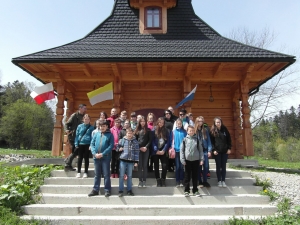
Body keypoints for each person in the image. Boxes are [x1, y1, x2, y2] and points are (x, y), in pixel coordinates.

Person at [88, 120, 114, 197]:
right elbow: (92, 144)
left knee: (106, 174)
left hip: (105, 157)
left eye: (104, 126)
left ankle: (107, 190)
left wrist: (103, 154)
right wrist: (94, 153)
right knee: (97, 174)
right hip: (96, 157)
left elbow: (111, 146)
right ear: (99, 126)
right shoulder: (96, 134)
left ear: (107, 127)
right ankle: (95, 189)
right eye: (101, 126)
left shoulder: (110, 135)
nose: (102, 127)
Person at [180, 126, 203, 197]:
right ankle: (186, 190)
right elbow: (182, 151)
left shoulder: (197, 140)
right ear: (187, 131)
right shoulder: (184, 140)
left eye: (192, 131)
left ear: (194, 131)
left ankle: (195, 190)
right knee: (187, 176)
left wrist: (201, 159)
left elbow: (201, 150)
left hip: (196, 160)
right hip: (187, 161)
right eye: (190, 131)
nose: (191, 132)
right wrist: (182, 159)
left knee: (195, 176)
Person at [117, 128, 140, 197]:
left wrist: (136, 161)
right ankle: (120, 190)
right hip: (123, 160)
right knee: (121, 176)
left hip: (131, 161)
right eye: (128, 133)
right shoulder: (122, 140)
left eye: (131, 133)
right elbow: (117, 147)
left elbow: (136, 152)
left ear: (133, 134)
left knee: (130, 176)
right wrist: (119, 149)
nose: (129, 135)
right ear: (126, 133)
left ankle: (129, 190)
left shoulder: (135, 142)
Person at [210, 117, 232, 188]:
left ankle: (223, 181)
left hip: (225, 151)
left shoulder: (225, 130)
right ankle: (219, 181)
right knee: (218, 166)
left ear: (221, 122)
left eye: (219, 122)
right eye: (217, 122)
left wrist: (229, 148)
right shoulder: (213, 131)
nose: (218, 123)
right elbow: (211, 142)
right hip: (217, 152)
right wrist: (213, 150)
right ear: (215, 123)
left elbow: (229, 140)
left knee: (223, 166)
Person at [64, 104, 87, 171]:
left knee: (76, 151)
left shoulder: (84, 116)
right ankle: (67, 163)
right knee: (76, 151)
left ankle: (67, 161)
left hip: (80, 137)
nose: (85, 109)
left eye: (86, 108)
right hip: (73, 136)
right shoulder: (75, 115)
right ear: (80, 108)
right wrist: (66, 130)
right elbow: (67, 124)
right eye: (84, 108)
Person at [74, 114, 94, 178]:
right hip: (80, 144)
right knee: (80, 158)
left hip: (87, 144)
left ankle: (86, 172)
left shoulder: (91, 127)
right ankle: (79, 172)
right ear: (83, 120)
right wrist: (76, 144)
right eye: (85, 119)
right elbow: (77, 135)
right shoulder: (79, 126)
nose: (86, 120)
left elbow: (92, 137)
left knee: (86, 159)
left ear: (89, 120)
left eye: (88, 119)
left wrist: (91, 145)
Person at [195, 116, 212, 188]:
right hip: (197, 151)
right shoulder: (194, 131)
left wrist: (209, 150)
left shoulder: (205, 130)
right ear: (196, 122)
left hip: (205, 150)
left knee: (206, 166)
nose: (200, 123)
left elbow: (209, 142)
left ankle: (205, 181)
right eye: (199, 121)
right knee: (199, 167)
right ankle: (199, 181)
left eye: (201, 121)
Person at [135, 116, 152, 187]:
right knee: (140, 165)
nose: (142, 123)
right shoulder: (137, 130)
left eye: (144, 121)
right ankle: (140, 181)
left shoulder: (148, 130)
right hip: (139, 150)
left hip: (146, 150)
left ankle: (144, 181)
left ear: (145, 122)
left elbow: (150, 140)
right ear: (139, 122)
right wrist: (139, 147)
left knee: (145, 165)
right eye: (141, 121)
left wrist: (146, 147)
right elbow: (135, 140)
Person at [152, 117, 169, 187]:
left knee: (164, 166)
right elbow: (152, 141)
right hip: (156, 151)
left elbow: (168, 142)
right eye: (160, 122)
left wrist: (164, 150)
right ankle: (158, 179)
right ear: (157, 122)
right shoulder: (154, 130)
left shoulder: (166, 130)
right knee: (156, 166)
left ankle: (163, 179)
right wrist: (156, 150)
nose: (161, 124)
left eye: (162, 123)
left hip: (163, 151)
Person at [170, 119, 187, 187]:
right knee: (177, 167)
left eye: (180, 123)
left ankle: (182, 180)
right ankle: (177, 181)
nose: (179, 125)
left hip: (183, 151)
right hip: (176, 151)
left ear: (182, 124)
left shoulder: (184, 132)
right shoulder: (173, 132)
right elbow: (171, 141)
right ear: (176, 124)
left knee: (182, 167)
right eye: (178, 123)